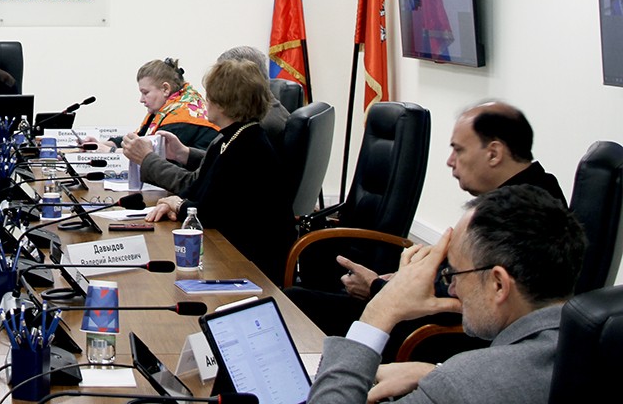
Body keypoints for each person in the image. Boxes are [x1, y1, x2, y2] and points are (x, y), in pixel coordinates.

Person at [287, 101, 565, 347]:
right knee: (298, 299)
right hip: (420, 312)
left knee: (297, 303)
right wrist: (402, 278)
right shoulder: (526, 191)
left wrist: (376, 287)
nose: (450, 161)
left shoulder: (526, 212)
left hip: (433, 334)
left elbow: (468, 296)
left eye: (458, 150)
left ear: (493, 153)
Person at [307, 185, 585, 404]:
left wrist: (379, 312)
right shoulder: (590, 348)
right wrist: (435, 370)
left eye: (455, 273)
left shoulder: (463, 384)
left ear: (498, 284)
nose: (452, 288)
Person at [144, 59, 295, 283]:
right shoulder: (231, 138)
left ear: (223, 104)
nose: (205, 102)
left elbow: (210, 212)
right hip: (230, 247)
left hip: (250, 265)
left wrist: (178, 205)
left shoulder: (248, 148)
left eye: (209, 96)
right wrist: (175, 203)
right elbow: (198, 191)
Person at [121, 46, 288, 195]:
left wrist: (147, 159)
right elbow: (218, 167)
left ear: (230, 96)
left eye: (211, 95)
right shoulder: (244, 129)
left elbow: (199, 188)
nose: (202, 103)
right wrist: (184, 153)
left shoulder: (255, 132)